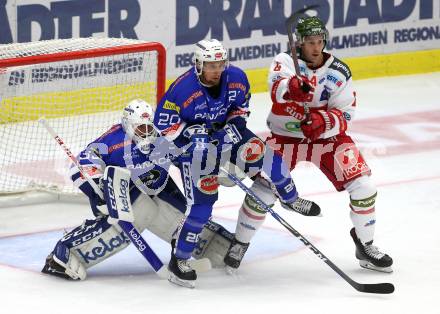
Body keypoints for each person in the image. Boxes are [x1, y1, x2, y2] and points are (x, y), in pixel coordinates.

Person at [228, 16, 393, 273]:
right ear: (299, 44)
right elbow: (276, 89)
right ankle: (239, 242)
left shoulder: (339, 71)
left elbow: (346, 113)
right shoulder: (285, 62)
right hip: (285, 137)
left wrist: (323, 121)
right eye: (310, 43)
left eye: (319, 42)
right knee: (263, 191)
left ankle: (365, 244)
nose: (316, 48)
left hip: (327, 139)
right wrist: (292, 86)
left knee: (364, 186)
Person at [154, 39, 320, 288]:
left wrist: (231, 128)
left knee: (268, 158)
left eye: (220, 64)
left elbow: (241, 110)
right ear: (198, 65)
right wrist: (190, 135)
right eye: (210, 65)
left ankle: (290, 198)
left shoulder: (236, 78)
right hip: (193, 152)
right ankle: (180, 260)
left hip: (227, 134)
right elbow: (163, 127)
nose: (216, 70)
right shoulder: (181, 89)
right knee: (202, 207)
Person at [41, 99, 235, 281]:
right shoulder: (113, 140)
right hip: (123, 194)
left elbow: (188, 158)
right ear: (127, 125)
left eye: (149, 127)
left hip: (158, 187)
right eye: (140, 128)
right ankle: (64, 254)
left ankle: (209, 245)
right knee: (141, 210)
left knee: (184, 219)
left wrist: (210, 164)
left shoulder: (163, 137)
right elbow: (79, 166)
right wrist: (99, 188)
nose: (147, 132)